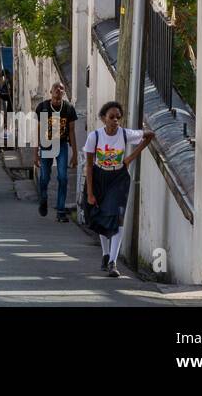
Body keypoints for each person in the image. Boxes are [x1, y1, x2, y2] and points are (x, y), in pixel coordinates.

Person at [83, 100, 155, 278]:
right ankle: (105, 254)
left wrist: (129, 158)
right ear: (103, 118)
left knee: (118, 217)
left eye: (118, 118)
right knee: (100, 215)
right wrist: (90, 193)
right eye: (111, 117)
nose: (115, 121)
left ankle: (113, 262)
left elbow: (150, 135)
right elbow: (90, 166)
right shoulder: (95, 137)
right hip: (99, 176)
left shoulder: (125, 134)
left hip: (119, 178)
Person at [35, 81, 78, 221]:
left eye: (61, 88)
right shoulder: (43, 107)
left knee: (63, 177)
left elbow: (71, 131)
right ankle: (43, 197)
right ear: (50, 91)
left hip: (61, 144)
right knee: (44, 177)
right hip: (46, 144)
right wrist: (35, 153)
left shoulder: (69, 109)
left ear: (64, 93)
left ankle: (60, 211)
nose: (58, 90)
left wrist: (75, 154)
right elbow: (38, 131)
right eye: (56, 88)